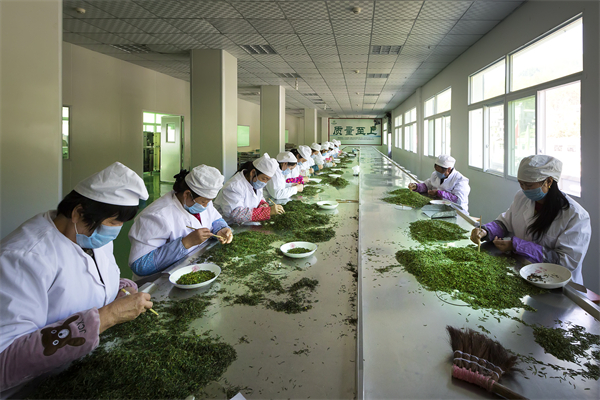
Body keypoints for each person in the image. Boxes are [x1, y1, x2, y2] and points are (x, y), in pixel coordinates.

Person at [0, 162, 152, 391]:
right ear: (78, 213)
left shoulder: (91, 236)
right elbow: (5, 361)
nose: (117, 229)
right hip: (37, 388)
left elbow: (96, 283)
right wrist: (108, 316)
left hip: (84, 370)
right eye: (114, 222)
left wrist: (122, 290)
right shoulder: (22, 258)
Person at [471, 155, 591, 285]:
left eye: (528, 185)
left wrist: (517, 246)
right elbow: (505, 223)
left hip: (555, 283)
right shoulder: (521, 197)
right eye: (521, 184)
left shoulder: (576, 216)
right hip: (522, 271)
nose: (524, 189)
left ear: (549, 181)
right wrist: (485, 231)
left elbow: (565, 261)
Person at [128, 165, 233, 277]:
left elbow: (215, 219)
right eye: (203, 202)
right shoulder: (156, 215)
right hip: (163, 280)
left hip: (194, 268)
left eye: (208, 201)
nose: (206, 206)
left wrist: (221, 229)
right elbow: (140, 265)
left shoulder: (202, 201)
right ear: (187, 194)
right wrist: (186, 243)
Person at [214, 153, 284, 225]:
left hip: (245, 224)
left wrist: (262, 204)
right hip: (227, 225)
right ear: (253, 172)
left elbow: (259, 197)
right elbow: (237, 214)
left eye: (268, 180)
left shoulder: (254, 181)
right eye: (264, 179)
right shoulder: (234, 186)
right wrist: (268, 212)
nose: (265, 182)